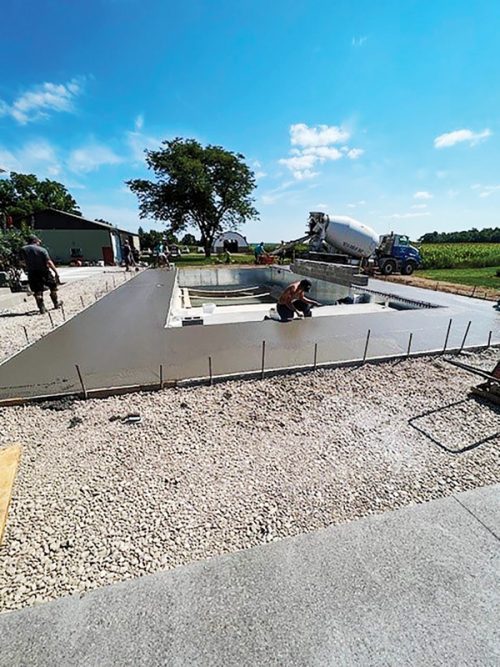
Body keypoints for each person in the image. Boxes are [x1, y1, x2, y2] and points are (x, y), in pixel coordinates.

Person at [20, 235, 61, 314]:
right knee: (53, 287)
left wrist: (27, 267)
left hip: (32, 272)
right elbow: (49, 262)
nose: (39, 243)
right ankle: (56, 303)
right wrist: (56, 272)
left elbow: (21, 262)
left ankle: (42, 308)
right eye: (39, 241)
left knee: (37, 291)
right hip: (44, 271)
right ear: (35, 241)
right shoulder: (42, 250)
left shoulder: (23, 249)